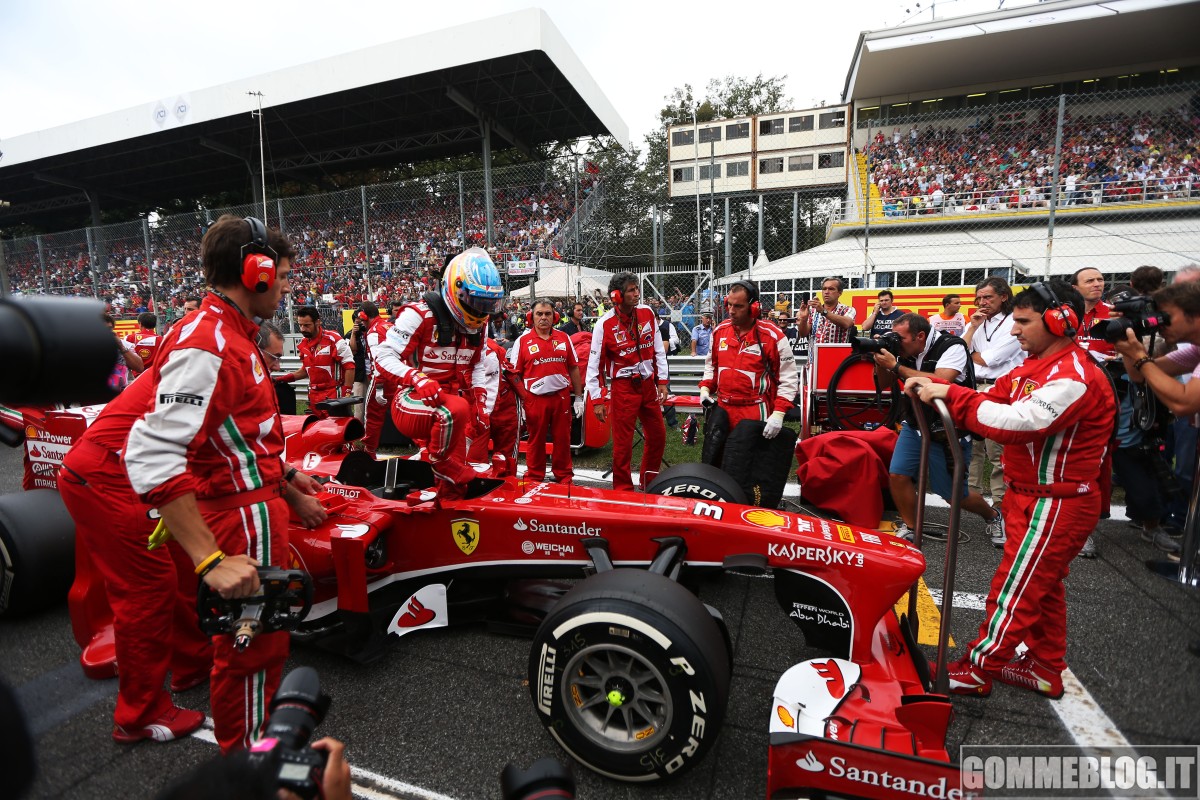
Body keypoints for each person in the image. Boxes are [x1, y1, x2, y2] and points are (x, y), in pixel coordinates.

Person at [125, 216, 328, 753]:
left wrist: (284, 477)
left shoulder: (226, 334)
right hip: (240, 523)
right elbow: (150, 451)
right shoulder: (210, 343)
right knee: (250, 660)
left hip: (254, 508)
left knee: (256, 654)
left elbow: (233, 435)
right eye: (281, 275)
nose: (285, 287)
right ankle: (251, 776)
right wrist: (210, 560)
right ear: (254, 272)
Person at [913, 280, 1117, 699]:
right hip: (1033, 498)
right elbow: (993, 397)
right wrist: (943, 391)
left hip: (1056, 503)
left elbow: (1020, 422)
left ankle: (975, 668)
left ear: (1061, 322)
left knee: (1016, 590)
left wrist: (952, 395)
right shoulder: (1034, 366)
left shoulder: (1073, 375)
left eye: (1023, 322)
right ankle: (1044, 668)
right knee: (1040, 588)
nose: (1015, 331)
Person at [58, 365, 213, 745]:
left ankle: (192, 662)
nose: (274, 367)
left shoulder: (204, 354)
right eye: (272, 360)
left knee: (180, 561)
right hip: (108, 475)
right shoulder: (210, 360)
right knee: (148, 590)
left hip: (137, 470)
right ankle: (139, 715)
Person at [371, 248, 504, 499]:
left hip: (448, 407)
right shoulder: (419, 314)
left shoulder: (480, 326)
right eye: (475, 302)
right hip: (411, 400)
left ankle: (446, 511)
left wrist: (480, 407)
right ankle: (437, 461)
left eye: (487, 304)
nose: (480, 311)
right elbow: (382, 356)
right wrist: (417, 378)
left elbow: (476, 366)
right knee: (456, 409)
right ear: (455, 290)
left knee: (457, 480)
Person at [871, 313, 1004, 543]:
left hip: (947, 429)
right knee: (898, 474)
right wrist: (881, 360)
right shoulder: (905, 350)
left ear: (920, 336)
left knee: (953, 494)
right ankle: (912, 526)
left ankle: (993, 516)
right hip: (915, 424)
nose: (897, 342)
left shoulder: (952, 346)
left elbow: (942, 380)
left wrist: (896, 365)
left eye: (900, 338)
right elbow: (884, 384)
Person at [1113, 279, 1200, 561]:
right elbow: (1142, 375)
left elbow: (1183, 401)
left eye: (1167, 317)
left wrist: (1139, 356)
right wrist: (1129, 347)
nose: (1160, 324)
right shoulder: (1195, 349)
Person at [586, 272, 669, 492]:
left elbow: (659, 350)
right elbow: (594, 366)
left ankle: (649, 482)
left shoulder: (647, 313)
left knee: (658, 435)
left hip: (648, 385)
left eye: (636, 288)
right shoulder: (604, 325)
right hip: (623, 388)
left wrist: (662, 381)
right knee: (623, 444)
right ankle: (622, 490)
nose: (637, 293)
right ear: (617, 295)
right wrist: (597, 400)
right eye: (631, 290)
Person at [699, 280, 799, 437]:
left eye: (738, 306)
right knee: (715, 459)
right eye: (729, 304)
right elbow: (711, 366)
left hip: (754, 411)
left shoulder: (773, 337)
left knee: (749, 460)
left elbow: (789, 379)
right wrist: (705, 389)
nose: (731, 311)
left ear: (754, 308)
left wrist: (779, 413)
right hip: (722, 410)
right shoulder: (719, 331)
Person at [963, 277, 1025, 517]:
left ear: (1003, 296)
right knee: (973, 447)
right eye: (979, 298)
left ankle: (1001, 502)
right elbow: (960, 350)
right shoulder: (978, 323)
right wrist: (972, 329)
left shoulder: (1014, 322)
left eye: (988, 297)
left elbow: (992, 359)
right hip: (974, 387)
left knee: (997, 450)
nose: (982, 302)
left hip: (1000, 389)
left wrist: (974, 354)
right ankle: (972, 496)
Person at [510, 300, 584, 483]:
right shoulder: (523, 341)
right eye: (539, 314)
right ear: (531, 317)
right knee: (536, 440)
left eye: (548, 314)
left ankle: (564, 476)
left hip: (561, 397)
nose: (544, 317)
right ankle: (534, 477)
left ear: (554, 316)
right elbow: (514, 375)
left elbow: (574, 368)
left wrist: (579, 397)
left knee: (563, 439)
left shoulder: (564, 338)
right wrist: (522, 403)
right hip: (534, 399)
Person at [1070, 267, 1117, 558]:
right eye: (1090, 280)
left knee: (1095, 462)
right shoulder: (1062, 314)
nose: (1098, 284)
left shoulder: (1113, 313)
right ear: (1075, 287)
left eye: (1100, 280)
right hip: (1066, 390)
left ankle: (1085, 531)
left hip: (1104, 391)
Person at [467, 326, 520, 475]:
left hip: (501, 402)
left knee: (505, 461)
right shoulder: (450, 346)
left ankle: (508, 493)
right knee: (474, 461)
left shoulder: (491, 350)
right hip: (476, 407)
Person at [278, 306, 355, 407]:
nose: (302, 329)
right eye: (300, 325)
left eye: (307, 325)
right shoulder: (304, 343)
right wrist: (281, 379)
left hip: (334, 395)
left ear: (317, 322)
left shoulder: (334, 339)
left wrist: (347, 392)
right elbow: (306, 370)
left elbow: (350, 366)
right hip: (314, 396)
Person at [359, 302, 395, 456]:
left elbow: (377, 360)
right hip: (399, 376)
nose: (361, 323)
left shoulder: (373, 331)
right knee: (406, 414)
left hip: (383, 378)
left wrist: (379, 387)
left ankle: (369, 451)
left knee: (372, 415)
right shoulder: (390, 326)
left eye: (361, 319)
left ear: (365, 316)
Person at [795, 277, 857, 344]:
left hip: (837, 353)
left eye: (831, 289)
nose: (826, 292)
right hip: (815, 353)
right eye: (824, 289)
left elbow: (846, 323)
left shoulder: (848, 309)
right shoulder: (813, 311)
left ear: (840, 293)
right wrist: (804, 319)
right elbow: (803, 334)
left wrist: (823, 312)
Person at [104, 312, 144, 392]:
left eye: (109, 329)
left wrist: (121, 347)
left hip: (122, 394)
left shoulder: (126, 345)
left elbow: (139, 368)